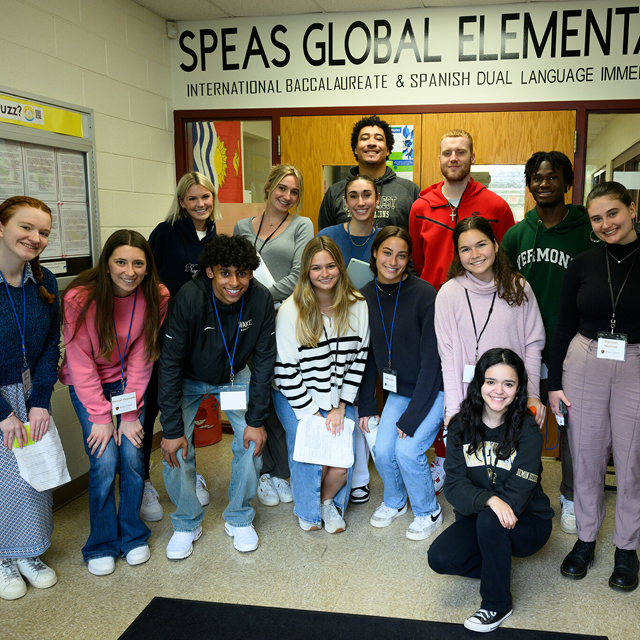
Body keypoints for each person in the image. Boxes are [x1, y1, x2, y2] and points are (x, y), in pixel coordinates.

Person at [59, 230, 169, 576]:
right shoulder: (80, 298)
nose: (130, 271)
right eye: (121, 261)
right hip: (88, 384)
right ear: (106, 264)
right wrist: (101, 416)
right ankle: (101, 543)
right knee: (104, 460)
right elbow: (79, 361)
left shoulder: (157, 296)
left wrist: (131, 412)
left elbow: (143, 354)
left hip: (128, 384)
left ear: (148, 268)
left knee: (134, 455)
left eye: (138, 263)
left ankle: (133, 535)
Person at [159, 234, 275, 555]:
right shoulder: (188, 298)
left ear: (251, 273)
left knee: (251, 442)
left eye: (242, 273)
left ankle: (238, 517)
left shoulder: (260, 300)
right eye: (225, 272)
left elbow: (265, 362)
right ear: (210, 271)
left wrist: (256, 420)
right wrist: (170, 430)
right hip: (188, 378)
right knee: (175, 449)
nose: (234, 282)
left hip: (234, 375)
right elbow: (168, 364)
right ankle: (186, 521)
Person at [549, 181, 640, 592]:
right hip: (585, 361)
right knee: (584, 454)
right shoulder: (583, 263)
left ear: (633, 208)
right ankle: (586, 539)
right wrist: (552, 382)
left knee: (631, 458)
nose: (606, 224)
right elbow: (564, 323)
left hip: (635, 363)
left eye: (613, 214)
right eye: (597, 218)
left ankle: (626, 548)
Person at [502, 151, 598, 535]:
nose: (544, 183)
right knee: (523, 423)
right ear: (529, 183)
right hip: (524, 347)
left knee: (572, 425)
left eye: (552, 177)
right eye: (537, 178)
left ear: (567, 182)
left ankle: (571, 496)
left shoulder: (586, 230)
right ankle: (524, 491)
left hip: (573, 346)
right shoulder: (516, 234)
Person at [428, 348, 553, 633]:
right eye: (491, 382)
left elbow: (522, 487)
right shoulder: (460, 425)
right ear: (479, 384)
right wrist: (488, 499)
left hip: (528, 523)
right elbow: (454, 486)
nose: (499, 391)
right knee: (440, 558)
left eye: (508, 384)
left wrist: (493, 505)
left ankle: (497, 603)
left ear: (519, 388)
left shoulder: (527, 429)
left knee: (490, 519)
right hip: (481, 513)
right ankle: (497, 564)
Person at [434, 216, 546, 492]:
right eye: (465, 249)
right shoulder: (448, 294)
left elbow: (533, 344)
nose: (475, 254)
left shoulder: (519, 288)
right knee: (477, 469)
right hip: (469, 394)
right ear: (458, 255)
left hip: (509, 393)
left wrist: (532, 394)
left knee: (511, 465)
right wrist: (453, 409)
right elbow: (447, 355)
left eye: (481, 244)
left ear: (496, 245)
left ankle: (508, 509)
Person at [273, 236, 369, 533]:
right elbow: (286, 369)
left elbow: (359, 359)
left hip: (339, 397)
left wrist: (341, 406)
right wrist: (312, 414)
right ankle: (308, 512)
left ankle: (328, 504)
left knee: (340, 461)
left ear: (340, 268)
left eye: (330, 266)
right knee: (311, 455)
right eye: (316, 268)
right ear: (306, 272)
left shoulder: (358, 305)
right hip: (295, 395)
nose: (324, 274)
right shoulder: (291, 310)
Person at [142, 171, 222, 521]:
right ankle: (143, 481)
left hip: (199, 338)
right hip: (162, 338)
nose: (200, 204)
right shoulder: (164, 234)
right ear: (181, 202)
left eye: (205, 197)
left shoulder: (216, 236)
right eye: (193, 199)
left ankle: (190, 474)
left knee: (189, 410)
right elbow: (146, 281)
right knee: (153, 408)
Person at [233, 164, 313, 508]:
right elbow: (234, 271)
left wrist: (262, 299)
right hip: (246, 321)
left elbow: (299, 274)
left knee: (282, 394)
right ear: (268, 186)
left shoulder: (302, 225)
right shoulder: (240, 227)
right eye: (282, 188)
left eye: (294, 192)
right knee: (256, 393)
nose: (287, 197)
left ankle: (283, 471)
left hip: (283, 319)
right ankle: (264, 471)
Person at [359, 227, 444, 541]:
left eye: (401, 255)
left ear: (409, 260)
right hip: (398, 391)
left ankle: (428, 511)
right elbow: (366, 358)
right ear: (375, 253)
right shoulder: (365, 295)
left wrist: (412, 418)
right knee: (382, 451)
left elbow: (432, 362)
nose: (393, 261)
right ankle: (395, 502)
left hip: (433, 390)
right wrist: (367, 406)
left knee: (408, 450)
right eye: (386, 252)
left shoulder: (425, 295)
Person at [0, 196, 59, 601]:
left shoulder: (44, 280)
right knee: (4, 482)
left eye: (43, 232)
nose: (35, 238)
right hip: (1, 401)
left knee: (34, 476)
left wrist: (40, 399)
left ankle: (30, 553)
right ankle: (3, 559)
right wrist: (4, 413)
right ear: (2, 227)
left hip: (31, 392)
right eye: (26, 227)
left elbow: (51, 342)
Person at [317, 175, 381, 504]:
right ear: (345, 202)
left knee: (361, 399)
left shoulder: (384, 239)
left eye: (366, 195)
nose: (360, 201)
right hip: (331, 331)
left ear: (377, 199)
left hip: (371, 328)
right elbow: (313, 275)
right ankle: (333, 470)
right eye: (353, 195)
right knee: (338, 400)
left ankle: (359, 477)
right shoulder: (328, 236)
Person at [409, 129, 515, 290]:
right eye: (447, 153)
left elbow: (506, 262)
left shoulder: (497, 207)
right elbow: (417, 264)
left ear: (472, 158)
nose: (453, 158)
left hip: (482, 301)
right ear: (439, 160)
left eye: (460, 152)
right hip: (432, 302)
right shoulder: (420, 208)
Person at [318, 115, 420, 231]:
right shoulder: (335, 192)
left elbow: (416, 240)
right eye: (364, 138)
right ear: (355, 149)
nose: (371, 143)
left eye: (379, 139)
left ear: (387, 150)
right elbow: (326, 242)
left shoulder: (409, 191)